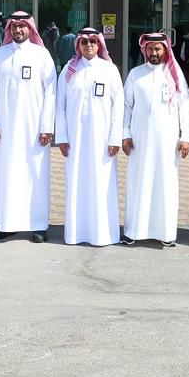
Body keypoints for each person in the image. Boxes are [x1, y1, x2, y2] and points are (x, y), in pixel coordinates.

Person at [0, 9, 57, 242]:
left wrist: (47, 126)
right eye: (13, 27)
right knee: (6, 174)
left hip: (34, 130)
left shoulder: (42, 55)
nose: (18, 30)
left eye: (22, 27)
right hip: (4, 130)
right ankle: (5, 223)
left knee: (34, 174)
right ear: (9, 30)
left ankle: (38, 225)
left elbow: (51, 93)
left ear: (30, 29)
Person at [121, 30, 189, 247]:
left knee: (166, 184)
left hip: (168, 141)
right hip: (140, 140)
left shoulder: (175, 75)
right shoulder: (135, 74)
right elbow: (126, 107)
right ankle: (134, 231)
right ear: (144, 50)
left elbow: (184, 109)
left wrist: (185, 137)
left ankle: (166, 233)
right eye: (150, 48)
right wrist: (125, 134)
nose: (153, 52)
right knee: (139, 183)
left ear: (165, 50)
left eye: (158, 49)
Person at [55, 27, 124, 246]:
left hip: (102, 141)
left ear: (99, 44)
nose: (89, 46)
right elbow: (60, 106)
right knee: (76, 182)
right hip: (75, 139)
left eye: (93, 42)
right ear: (78, 46)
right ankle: (76, 233)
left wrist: (115, 138)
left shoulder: (109, 69)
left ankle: (103, 234)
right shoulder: (69, 69)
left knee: (101, 183)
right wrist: (62, 137)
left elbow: (118, 107)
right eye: (84, 42)